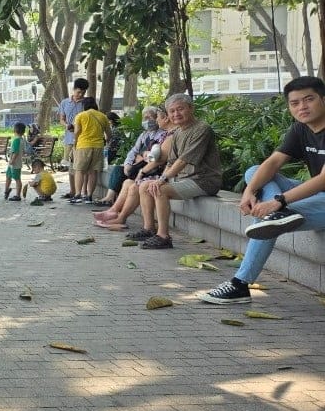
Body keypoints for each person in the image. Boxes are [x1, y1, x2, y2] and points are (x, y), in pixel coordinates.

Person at [199, 77, 325, 304]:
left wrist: (278, 201)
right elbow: (273, 163)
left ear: (323, 99)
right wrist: (249, 191)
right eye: (294, 103)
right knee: (255, 171)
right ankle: (278, 217)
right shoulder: (300, 129)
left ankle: (240, 284)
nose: (302, 107)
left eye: (309, 99)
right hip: (317, 196)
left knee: (268, 222)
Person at [132, 93, 222, 249]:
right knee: (146, 186)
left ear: (191, 108)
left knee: (160, 190)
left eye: (180, 109)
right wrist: (159, 178)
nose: (176, 114)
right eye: (172, 111)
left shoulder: (202, 129)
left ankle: (163, 236)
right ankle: (149, 228)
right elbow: (172, 162)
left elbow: (183, 160)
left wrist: (162, 180)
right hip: (185, 179)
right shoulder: (178, 133)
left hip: (204, 180)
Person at [93, 106, 175, 229]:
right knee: (127, 182)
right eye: (145, 118)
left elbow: (157, 158)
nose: (150, 121)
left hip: (157, 172)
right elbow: (134, 152)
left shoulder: (166, 135)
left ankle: (122, 218)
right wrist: (130, 162)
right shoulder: (145, 135)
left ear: (165, 119)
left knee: (135, 186)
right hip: (147, 170)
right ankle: (114, 211)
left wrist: (142, 162)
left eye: (152, 118)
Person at [69, 96, 110, 204]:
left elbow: (77, 131)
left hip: (83, 146)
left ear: (84, 106)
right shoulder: (103, 116)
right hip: (98, 146)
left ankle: (78, 195)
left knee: (79, 171)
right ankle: (89, 196)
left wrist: (74, 143)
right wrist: (106, 142)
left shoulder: (81, 115)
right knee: (93, 172)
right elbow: (108, 134)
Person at [58, 77, 88, 197]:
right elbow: (61, 119)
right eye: (78, 92)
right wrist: (66, 125)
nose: (80, 95)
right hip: (69, 139)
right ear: (73, 89)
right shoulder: (65, 102)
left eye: (83, 92)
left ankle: (81, 192)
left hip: (82, 140)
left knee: (81, 167)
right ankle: (72, 191)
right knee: (70, 167)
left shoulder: (87, 103)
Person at [4, 121, 29, 201]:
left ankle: (17, 195)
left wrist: (12, 160)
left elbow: (16, 152)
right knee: (8, 176)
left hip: (14, 163)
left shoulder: (16, 140)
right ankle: (6, 190)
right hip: (16, 163)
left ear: (14, 130)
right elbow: (23, 151)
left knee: (17, 179)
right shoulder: (21, 139)